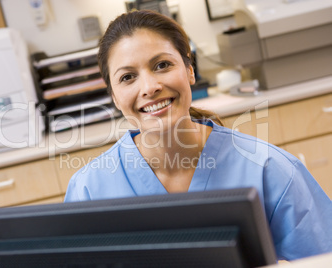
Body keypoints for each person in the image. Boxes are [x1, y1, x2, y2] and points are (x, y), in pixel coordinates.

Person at [64, 10, 332, 261]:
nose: (149, 87)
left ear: (190, 70)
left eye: (162, 65)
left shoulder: (271, 171)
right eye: (127, 77)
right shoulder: (88, 192)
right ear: (113, 96)